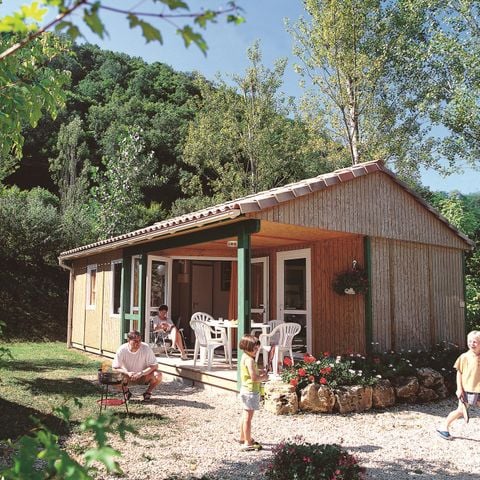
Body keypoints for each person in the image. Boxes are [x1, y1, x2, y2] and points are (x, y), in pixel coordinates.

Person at [436, 330, 480, 439]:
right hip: (468, 389)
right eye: (469, 341)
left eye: (475, 342)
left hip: (478, 388)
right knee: (460, 411)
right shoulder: (464, 357)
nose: (472, 344)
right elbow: (459, 373)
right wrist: (459, 389)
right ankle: (443, 427)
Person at [112, 330, 162, 401]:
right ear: (128, 340)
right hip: (128, 377)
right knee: (113, 377)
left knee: (158, 375)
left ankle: (148, 392)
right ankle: (126, 392)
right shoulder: (122, 349)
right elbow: (115, 367)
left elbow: (155, 365)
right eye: (135, 341)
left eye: (139, 340)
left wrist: (141, 373)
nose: (138, 343)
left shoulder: (146, 348)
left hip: (143, 376)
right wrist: (127, 373)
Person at [239, 334, 268, 451]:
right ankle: (247, 442)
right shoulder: (250, 360)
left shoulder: (245, 357)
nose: (256, 351)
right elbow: (254, 378)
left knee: (244, 415)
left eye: (257, 349)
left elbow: (250, 372)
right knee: (248, 418)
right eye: (254, 349)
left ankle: (243, 437)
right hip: (250, 392)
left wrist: (260, 371)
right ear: (247, 347)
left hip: (245, 390)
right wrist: (264, 377)